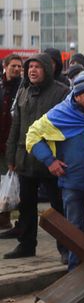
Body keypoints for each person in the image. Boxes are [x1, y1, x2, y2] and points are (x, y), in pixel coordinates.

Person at [27, 73, 84, 271]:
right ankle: (75, 271)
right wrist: (50, 161)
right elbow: (32, 136)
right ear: (76, 97)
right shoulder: (60, 114)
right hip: (72, 183)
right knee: (75, 230)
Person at [3, 54, 70, 259]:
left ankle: (65, 247)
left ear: (47, 70)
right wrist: (11, 155)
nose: (32, 70)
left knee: (58, 206)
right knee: (27, 206)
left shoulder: (61, 92)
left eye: (37, 67)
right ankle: (27, 244)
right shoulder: (23, 91)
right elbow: (17, 125)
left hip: (52, 159)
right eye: (30, 67)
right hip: (25, 157)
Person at [0, 55, 23, 231]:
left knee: (11, 181)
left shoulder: (23, 87)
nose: (16, 69)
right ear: (5, 66)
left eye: (19, 66)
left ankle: (8, 218)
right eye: (13, 66)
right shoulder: (1, 87)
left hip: (13, 142)